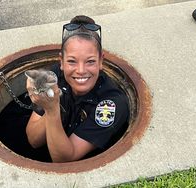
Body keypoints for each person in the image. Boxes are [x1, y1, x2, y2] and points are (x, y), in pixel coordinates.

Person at [26, 15, 129, 163]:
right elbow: (33, 140)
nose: (81, 70)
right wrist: (50, 106)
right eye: (72, 61)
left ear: (101, 61)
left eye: (90, 61)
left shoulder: (112, 104)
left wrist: (52, 109)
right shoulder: (55, 76)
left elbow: (64, 160)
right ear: (61, 62)